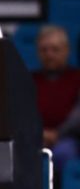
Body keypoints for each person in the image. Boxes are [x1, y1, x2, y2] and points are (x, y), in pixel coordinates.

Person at [33, 24, 80, 174]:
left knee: (62, 154)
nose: (49, 54)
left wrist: (57, 134)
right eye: (44, 50)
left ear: (66, 50)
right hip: (34, 138)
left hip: (68, 139)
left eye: (55, 49)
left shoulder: (77, 78)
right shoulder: (28, 80)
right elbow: (20, 113)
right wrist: (39, 133)